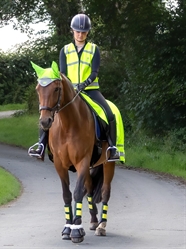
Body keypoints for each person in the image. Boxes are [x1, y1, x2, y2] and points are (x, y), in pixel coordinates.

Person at [28, 13, 120, 161]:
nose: (80, 34)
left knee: (109, 114)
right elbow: (63, 73)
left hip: (90, 90)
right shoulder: (65, 50)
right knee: (48, 112)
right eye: (78, 31)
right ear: (73, 31)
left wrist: (84, 84)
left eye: (83, 32)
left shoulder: (93, 49)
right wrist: (71, 86)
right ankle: (41, 146)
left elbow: (95, 72)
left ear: (87, 32)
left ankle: (112, 148)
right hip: (70, 92)